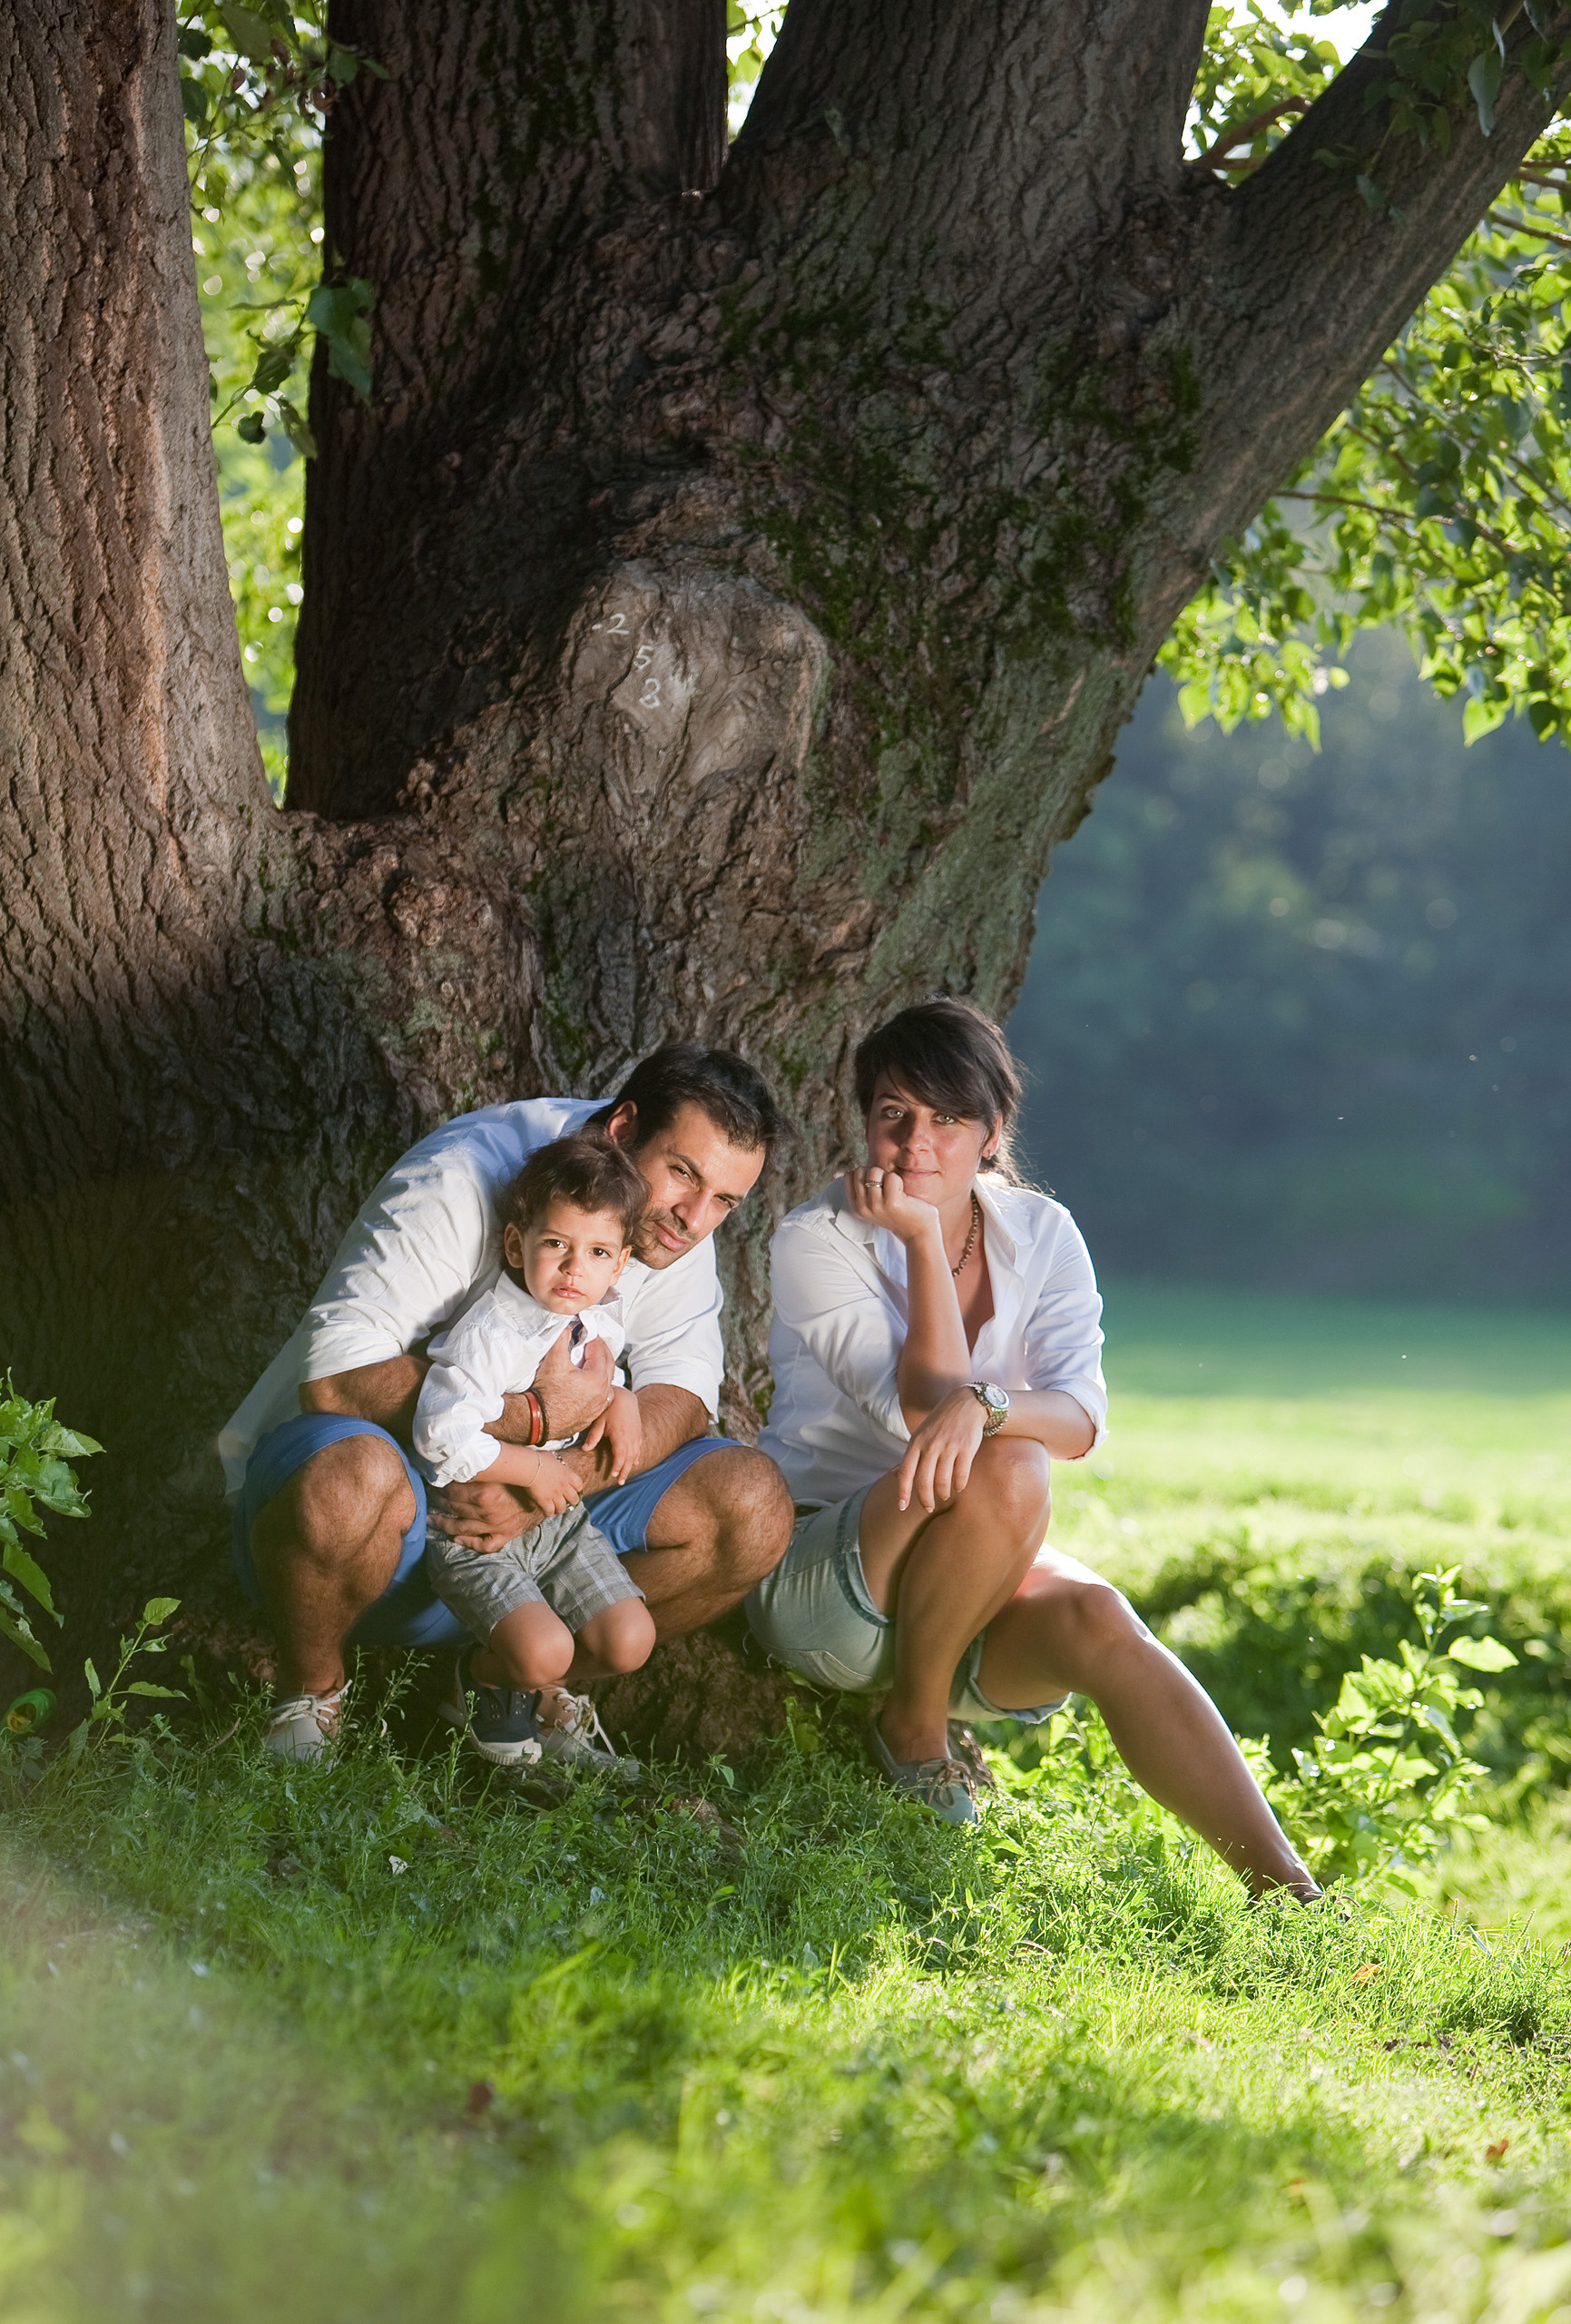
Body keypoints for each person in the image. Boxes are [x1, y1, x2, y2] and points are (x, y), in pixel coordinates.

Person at [747, 997, 1318, 1897]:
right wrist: (921, 1243)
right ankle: (915, 1728)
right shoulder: (816, 1240)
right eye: (893, 1113)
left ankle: (1288, 1890)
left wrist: (990, 1402)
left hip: (960, 1587)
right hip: (830, 1579)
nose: (915, 1143)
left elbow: (1081, 1418)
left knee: (1100, 1617)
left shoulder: (1042, 1233)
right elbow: (923, 1413)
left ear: (992, 1130)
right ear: (864, 1121)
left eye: (946, 1118)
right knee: (1010, 1454)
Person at [219, 1046, 796, 1762]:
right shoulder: (462, 1176)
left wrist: (549, 1486)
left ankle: (505, 1685)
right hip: (374, 1528)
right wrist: (535, 1421)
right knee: (351, 1476)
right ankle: (310, 1695)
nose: (695, 1219)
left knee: (752, 1507)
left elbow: (683, 1396)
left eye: (726, 1201)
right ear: (623, 1130)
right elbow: (336, 1378)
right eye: (683, 1173)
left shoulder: (669, 1228)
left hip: (534, 1530)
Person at [415, 1133, 655, 1774]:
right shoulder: (491, 1330)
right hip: (476, 1529)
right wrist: (534, 1466)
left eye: (596, 1252)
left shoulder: (595, 1316)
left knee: (630, 1640)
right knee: (546, 1653)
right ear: (516, 1245)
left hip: (558, 1523)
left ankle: (515, 1684)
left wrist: (620, 1397)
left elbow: (598, 1377)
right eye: (556, 1245)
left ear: (619, 1264)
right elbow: (439, 1431)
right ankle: (488, 1683)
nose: (575, 1269)